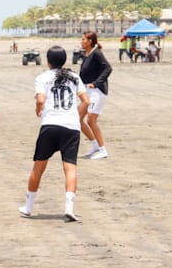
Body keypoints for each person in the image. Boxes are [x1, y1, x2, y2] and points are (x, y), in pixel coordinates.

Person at [18, 46, 89, 221]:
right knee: (70, 167)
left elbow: (41, 99)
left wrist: (38, 109)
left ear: (48, 61)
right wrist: (76, 116)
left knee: (39, 167)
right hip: (71, 127)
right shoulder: (74, 77)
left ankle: (28, 207)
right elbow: (86, 101)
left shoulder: (42, 77)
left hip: (50, 125)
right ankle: (69, 208)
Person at [78, 31, 113, 159]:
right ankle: (95, 145)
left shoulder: (96, 53)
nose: (81, 42)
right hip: (87, 91)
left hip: (97, 91)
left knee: (91, 119)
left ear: (90, 41)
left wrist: (96, 83)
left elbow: (108, 68)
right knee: (78, 118)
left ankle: (103, 150)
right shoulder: (86, 54)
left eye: (83, 39)